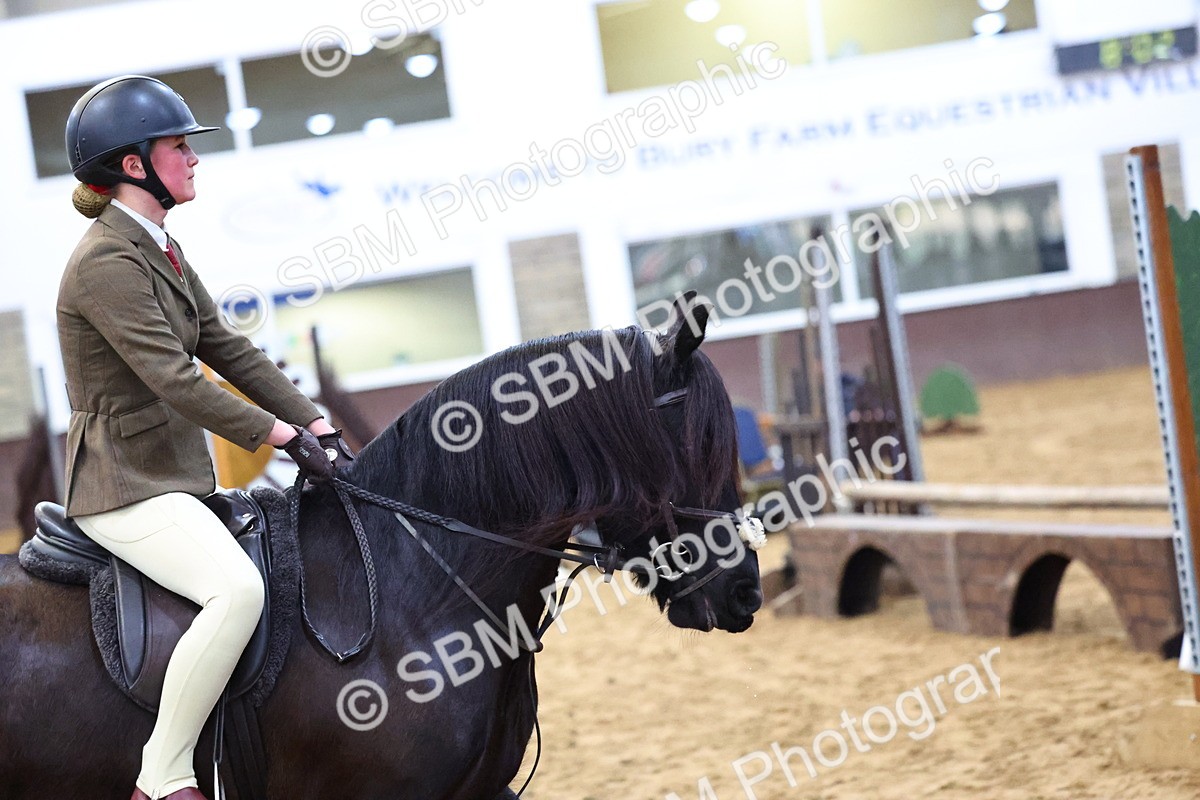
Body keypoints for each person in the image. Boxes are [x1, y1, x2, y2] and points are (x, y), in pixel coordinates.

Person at [59, 74, 354, 800]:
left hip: (172, 475)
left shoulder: (160, 246)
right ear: (134, 165)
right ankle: (161, 775)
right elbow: (174, 379)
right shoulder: (104, 261)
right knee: (234, 590)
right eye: (179, 147)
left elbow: (225, 347)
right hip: (121, 483)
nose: (194, 158)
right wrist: (278, 435)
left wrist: (315, 418)